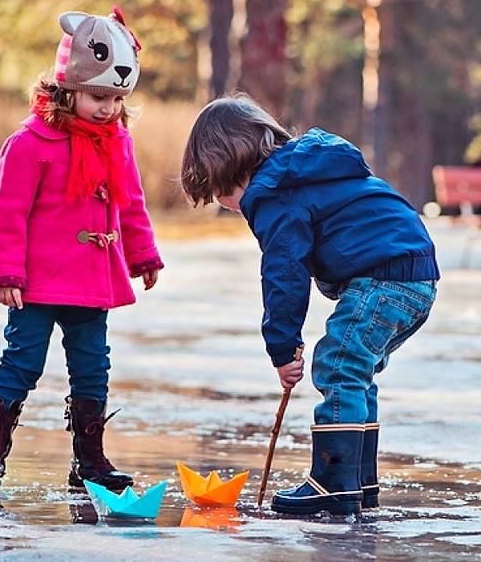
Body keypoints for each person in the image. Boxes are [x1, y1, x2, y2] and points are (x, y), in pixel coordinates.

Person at [180, 94, 439, 516]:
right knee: (355, 372)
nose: (224, 205)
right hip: (417, 276)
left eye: (216, 194)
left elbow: (284, 273)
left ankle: (335, 481)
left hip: (385, 275)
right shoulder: (308, 169)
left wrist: (282, 348)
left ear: (227, 167)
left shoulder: (273, 194)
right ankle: (358, 481)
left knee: (338, 364)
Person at [0, 7, 163, 493]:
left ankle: (89, 461)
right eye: (98, 96)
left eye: (117, 99)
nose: (108, 108)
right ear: (67, 86)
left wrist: (143, 254)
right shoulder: (30, 142)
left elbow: (130, 202)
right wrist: (5, 273)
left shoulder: (116, 142)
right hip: (35, 283)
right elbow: (7, 212)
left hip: (93, 282)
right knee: (23, 362)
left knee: (93, 366)